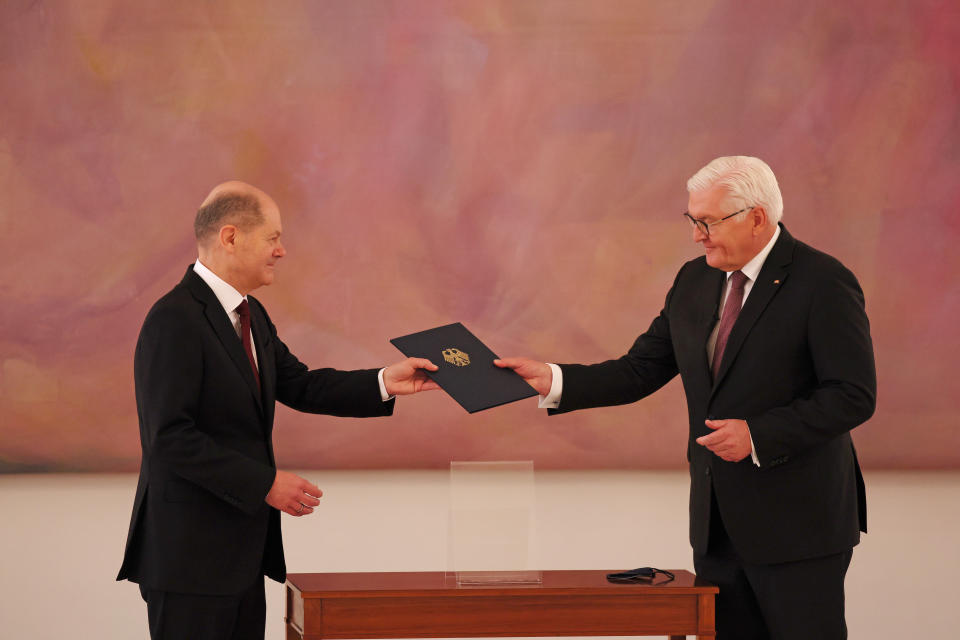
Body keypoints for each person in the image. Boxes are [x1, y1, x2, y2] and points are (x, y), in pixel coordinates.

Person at [496, 156, 876, 640]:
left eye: (708, 222)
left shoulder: (823, 281)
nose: (697, 235)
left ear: (757, 218)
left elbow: (853, 394)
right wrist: (553, 379)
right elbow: (640, 370)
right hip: (718, 527)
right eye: (692, 220)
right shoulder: (694, 279)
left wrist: (759, 435)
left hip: (799, 527)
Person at [117, 181, 439, 640]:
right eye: (272, 238)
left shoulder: (253, 316)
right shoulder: (174, 319)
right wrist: (264, 483)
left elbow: (302, 385)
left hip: (241, 557)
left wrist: (385, 382)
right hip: (189, 562)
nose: (282, 251)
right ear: (230, 237)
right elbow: (169, 439)